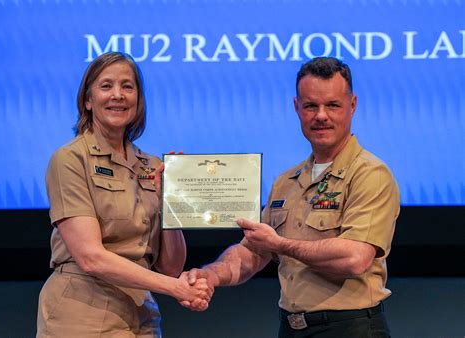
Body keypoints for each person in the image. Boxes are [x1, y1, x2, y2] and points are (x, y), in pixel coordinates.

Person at [183, 57, 400, 338]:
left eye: (332, 105)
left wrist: (280, 244)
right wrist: (209, 275)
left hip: (350, 328)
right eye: (311, 105)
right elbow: (253, 252)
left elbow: (355, 258)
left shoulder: (370, 173)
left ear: (353, 105)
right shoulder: (286, 181)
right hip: (291, 328)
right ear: (297, 107)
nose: (321, 115)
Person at [37, 52, 211, 338]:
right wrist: (177, 288)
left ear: (138, 101)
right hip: (82, 311)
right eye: (106, 86)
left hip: (142, 313)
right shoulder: (69, 159)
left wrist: (171, 204)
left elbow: (171, 266)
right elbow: (90, 257)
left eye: (127, 87)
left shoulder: (154, 165)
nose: (118, 95)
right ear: (88, 100)